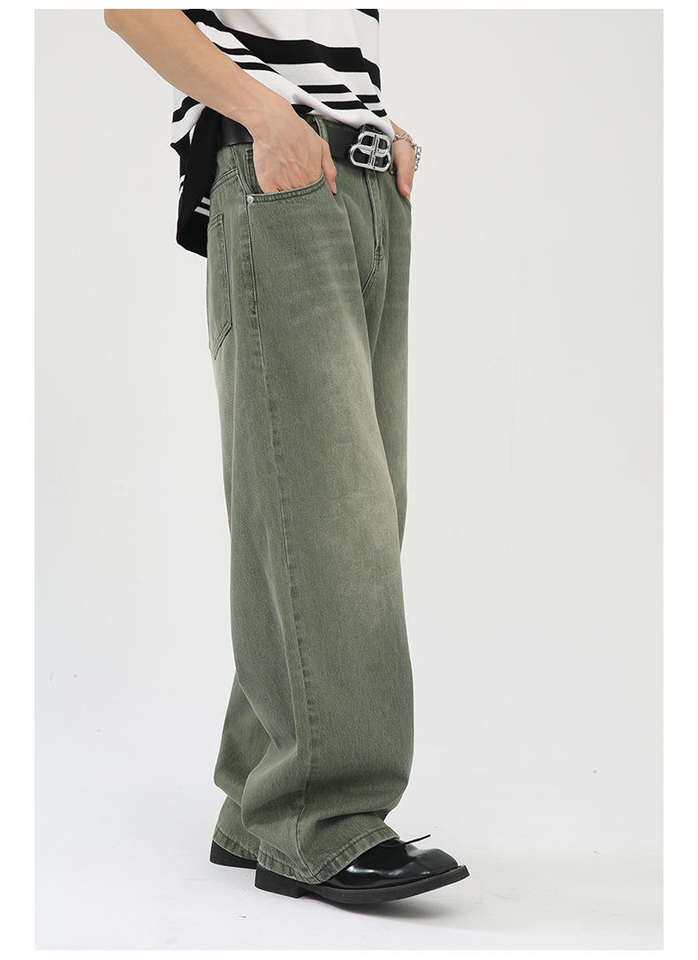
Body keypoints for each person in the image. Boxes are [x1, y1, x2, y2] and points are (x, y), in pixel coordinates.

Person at [104, 8, 467, 906]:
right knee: (331, 513)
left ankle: (259, 797)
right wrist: (267, 115)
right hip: (279, 173)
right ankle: (325, 817)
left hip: (365, 179)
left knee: (347, 506)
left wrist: (378, 125)